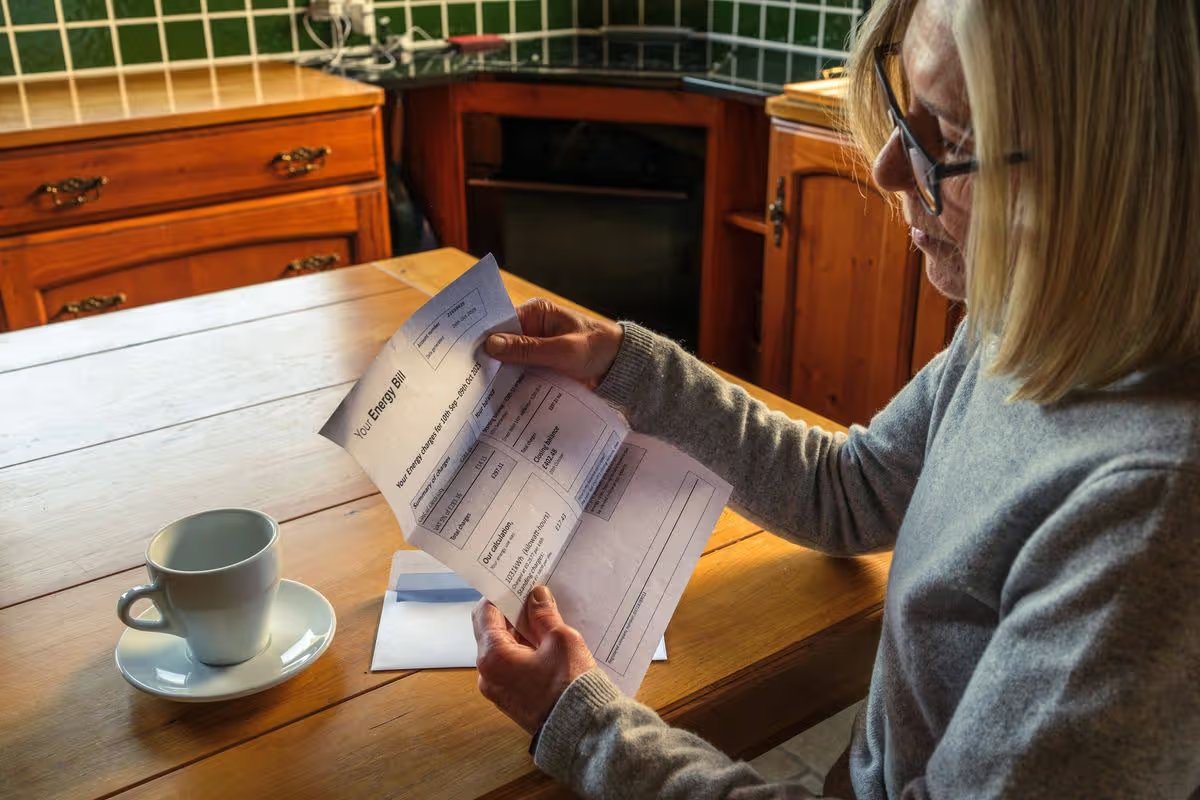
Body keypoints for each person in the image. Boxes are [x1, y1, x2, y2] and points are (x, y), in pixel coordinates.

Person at [470, 0, 1200, 796]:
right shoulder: (1034, 319)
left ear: (1115, 173)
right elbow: (847, 490)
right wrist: (625, 365)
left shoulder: (1151, 515)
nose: (889, 166)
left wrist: (589, 729)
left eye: (949, 138)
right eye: (904, 107)